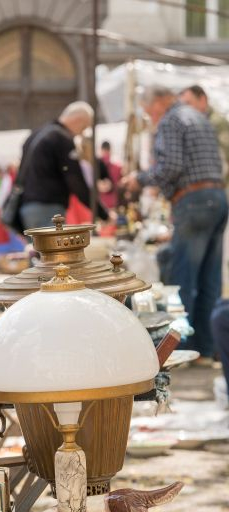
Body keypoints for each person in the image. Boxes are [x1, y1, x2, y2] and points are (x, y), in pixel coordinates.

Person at [122, 85, 227, 365]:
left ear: (159, 102)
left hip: (192, 201)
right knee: (209, 279)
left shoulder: (170, 120)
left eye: (149, 111)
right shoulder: (198, 117)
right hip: (216, 197)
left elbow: (170, 167)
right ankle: (207, 349)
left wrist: (140, 180)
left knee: (183, 280)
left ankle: (185, 348)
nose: (150, 117)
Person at [17, 101, 95, 230]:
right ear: (78, 120)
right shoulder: (62, 138)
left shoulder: (35, 134)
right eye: (83, 127)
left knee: (36, 243)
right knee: (54, 243)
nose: (81, 133)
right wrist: (100, 211)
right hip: (49, 207)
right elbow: (75, 180)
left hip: (27, 206)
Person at [179, 84, 229, 182]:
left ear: (202, 100)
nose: (185, 109)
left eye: (188, 103)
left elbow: (226, 155)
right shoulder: (196, 123)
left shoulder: (217, 122)